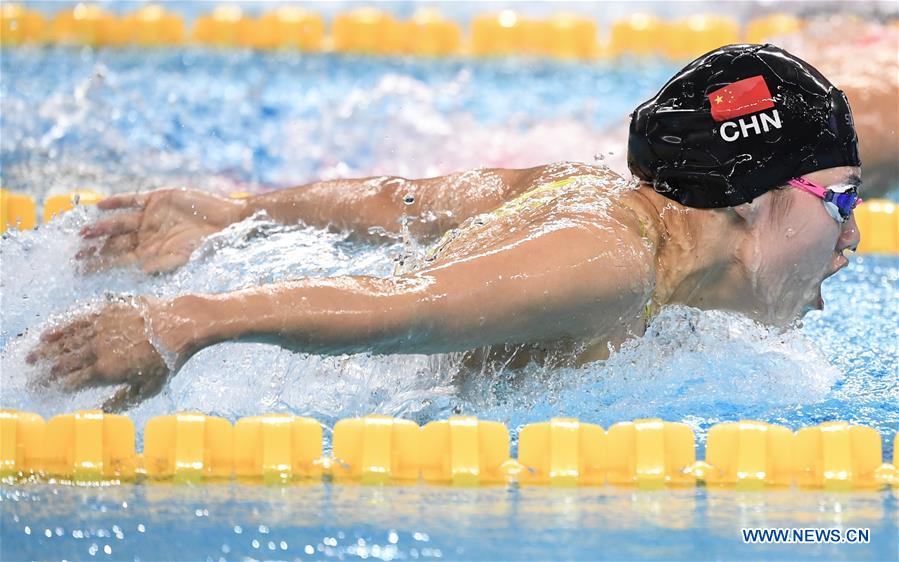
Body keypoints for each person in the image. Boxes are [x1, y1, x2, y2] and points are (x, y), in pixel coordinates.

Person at [27, 44, 863, 411]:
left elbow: (400, 202)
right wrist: (187, 323)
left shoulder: (589, 195)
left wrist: (234, 212)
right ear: (752, 198)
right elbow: (407, 305)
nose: (853, 239)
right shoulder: (608, 261)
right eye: (842, 202)